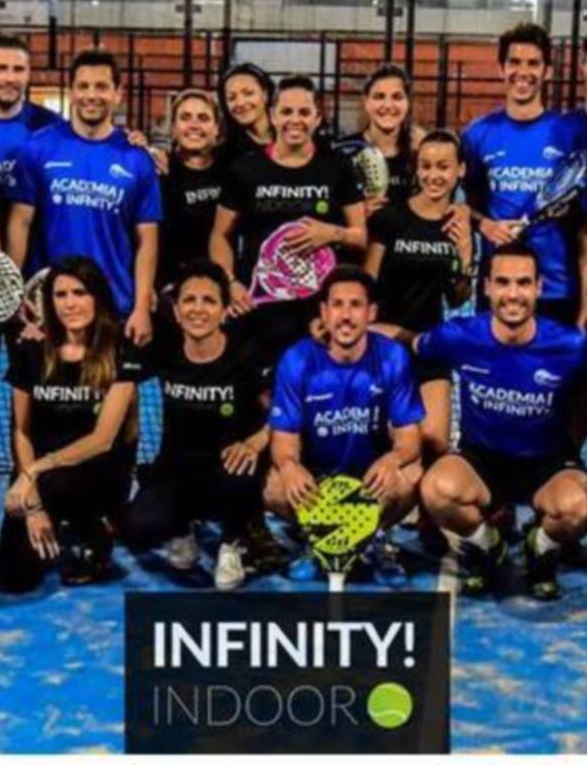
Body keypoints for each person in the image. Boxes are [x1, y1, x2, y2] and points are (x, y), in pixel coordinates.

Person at [417, 242, 587, 601]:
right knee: (436, 491)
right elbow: (410, 345)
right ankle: (487, 545)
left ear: (539, 288)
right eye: (504, 282)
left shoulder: (571, 346)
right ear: (487, 287)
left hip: (547, 464)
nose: (513, 294)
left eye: (523, 283)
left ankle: (539, 548)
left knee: (579, 509)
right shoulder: (458, 336)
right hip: (482, 461)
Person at [0, 256, 146, 593]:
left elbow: (102, 439)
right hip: (42, 469)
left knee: (56, 485)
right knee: (14, 577)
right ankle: (50, 523)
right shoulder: (31, 350)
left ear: (97, 298)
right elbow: (20, 429)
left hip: (97, 469)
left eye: (79, 293)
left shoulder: (121, 348)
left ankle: (96, 528)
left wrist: (33, 475)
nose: (70, 303)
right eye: (60, 295)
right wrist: (30, 500)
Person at [124, 260, 270, 591]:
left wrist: (256, 442)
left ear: (224, 310)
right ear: (175, 310)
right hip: (177, 465)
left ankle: (232, 543)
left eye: (209, 300)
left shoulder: (246, 355)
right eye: (189, 300)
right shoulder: (164, 350)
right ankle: (181, 531)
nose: (198, 309)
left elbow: (281, 413)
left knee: (240, 477)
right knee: (138, 527)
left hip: (231, 467)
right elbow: (120, 376)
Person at [7, 49, 162, 345]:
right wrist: (15, 293)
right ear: (72, 92)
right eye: (83, 86)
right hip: (50, 310)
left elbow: (147, 241)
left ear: (118, 94)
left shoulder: (137, 159)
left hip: (115, 307)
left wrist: (142, 307)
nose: (92, 95)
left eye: (102, 86)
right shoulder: (37, 148)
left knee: (119, 392)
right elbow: (20, 224)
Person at [210, 74, 366, 366]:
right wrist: (230, 283)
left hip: (318, 314)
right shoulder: (245, 169)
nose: (295, 120)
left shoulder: (337, 168)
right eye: (287, 112)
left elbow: (361, 236)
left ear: (318, 118)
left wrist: (332, 233)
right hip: (260, 311)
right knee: (261, 399)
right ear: (272, 115)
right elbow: (220, 235)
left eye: (304, 112)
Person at [266, 266, 424, 546]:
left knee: (412, 473)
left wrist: (392, 459)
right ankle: (317, 534)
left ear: (371, 313)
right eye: (337, 305)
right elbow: (283, 440)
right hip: (318, 479)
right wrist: (290, 465)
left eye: (356, 305)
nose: (346, 316)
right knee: (275, 486)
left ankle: (372, 537)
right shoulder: (296, 360)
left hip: (368, 478)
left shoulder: (393, 357)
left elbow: (409, 438)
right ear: (324, 313)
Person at [462, 22, 582, 325]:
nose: (523, 72)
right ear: (502, 68)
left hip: (556, 290)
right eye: (514, 62)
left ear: (547, 71)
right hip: (498, 287)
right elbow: (463, 205)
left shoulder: (573, 131)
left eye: (533, 63)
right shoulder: (478, 135)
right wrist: (486, 225)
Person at [365, 129, 473, 458]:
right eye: (425, 166)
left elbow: (457, 298)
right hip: (381, 340)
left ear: (460, 170)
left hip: (426, 345)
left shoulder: (457, 226)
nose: (434, 175)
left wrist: (465, 257)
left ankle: (428, 510)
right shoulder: (389, 219)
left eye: (443, 167)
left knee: (436, 444)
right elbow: (366, 283)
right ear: (416, 169)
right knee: (387, 445)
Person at [0, 33, 58, 249]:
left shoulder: (51, 127)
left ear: (28, 74)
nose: (10, 78)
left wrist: (131, 142)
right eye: (0, 68)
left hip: (37, 260)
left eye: (18, 69)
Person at [336, 63, 424, 217]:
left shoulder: (420, 155)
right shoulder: (341, 151)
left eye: (397, 97)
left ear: (408, 103)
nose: (388, 105)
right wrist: (354, 214)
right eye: (379, 97)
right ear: (366, 101)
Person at [158, 89, 223, 287]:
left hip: (221, 284)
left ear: (216, 128)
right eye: (185, 118)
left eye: (203, 118)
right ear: (173, 128)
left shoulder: (230, 171)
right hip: (173, 286)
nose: (194, 125)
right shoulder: (159, 171)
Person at [217, 62, 275, 165]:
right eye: (231, 98)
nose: (240, 103)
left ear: (265, 94)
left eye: (248, 93)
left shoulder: (289, 136)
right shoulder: (224, 151)